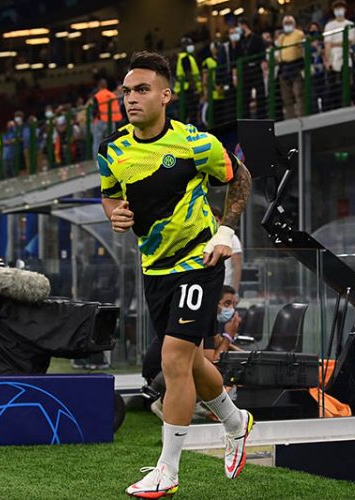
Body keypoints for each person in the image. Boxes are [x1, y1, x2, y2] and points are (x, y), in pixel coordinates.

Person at [99, 51, 253, 497]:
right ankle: (235, 421)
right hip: (155, 267)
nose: (131, 98)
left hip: (199, 261)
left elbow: (240, 178)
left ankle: (168, 470)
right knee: (191, 361)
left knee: (171, 360)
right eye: (127, 91)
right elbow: (109, 194)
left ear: (166, 95)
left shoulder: (194, 143)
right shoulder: (113, 149)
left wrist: (225, 231)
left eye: (142, 90)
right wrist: (115, 215)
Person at [323, 0, 355, 110]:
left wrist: (334, 44)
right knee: (333, 86)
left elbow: (350, 41)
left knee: (347, 83)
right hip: (333, 57)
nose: (339, 11)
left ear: (345, 9)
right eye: (336, 9)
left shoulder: (350, 24)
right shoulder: (329, 25)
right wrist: (327, 61)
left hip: (346, 57)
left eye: (340, 8)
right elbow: (327, 44)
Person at [275, 15, 306, 119]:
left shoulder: (299, 34)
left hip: (296, 65)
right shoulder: (281, 38)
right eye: (286, 23)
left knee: (299, 93)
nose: (287, 25)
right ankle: (290, 117)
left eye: (289, 23)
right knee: (286, 96)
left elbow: (302, 49)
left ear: (294, 24)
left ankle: (302, 115)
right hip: (284, 67)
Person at [203, 285, 243, 363]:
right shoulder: (206, 324)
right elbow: (213, 363)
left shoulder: (215, 322)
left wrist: (241, 351)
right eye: (227, 303)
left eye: (234, 304)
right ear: (214, 304)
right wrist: (229, 335)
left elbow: (218, 340)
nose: (232, 308)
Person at [212, 207, 242, 293]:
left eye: (216, 221)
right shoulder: (204, 238)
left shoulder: (232, 238)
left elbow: (237, 266)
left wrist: (235, 291)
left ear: (221, 221)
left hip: (225, 287)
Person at [174, 37, 202, 125]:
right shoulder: (185, 58)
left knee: (185, 113)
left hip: (184, 90)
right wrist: (196, 89)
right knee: (191, 112)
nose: (191, 47)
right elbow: (188, 74)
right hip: (188, 89)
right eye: (189, 45)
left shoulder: (182, 58)